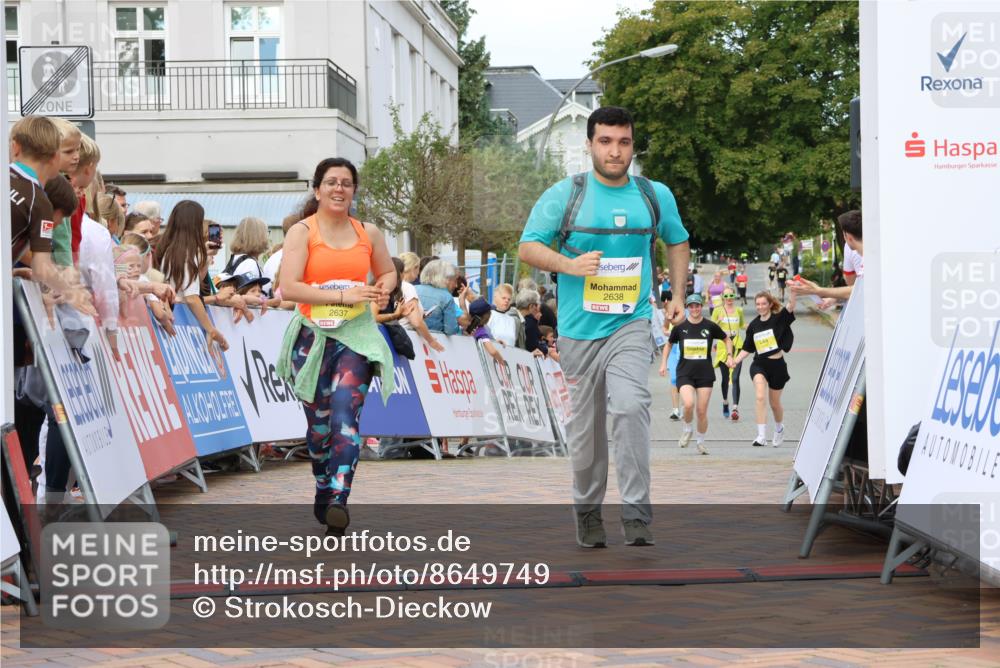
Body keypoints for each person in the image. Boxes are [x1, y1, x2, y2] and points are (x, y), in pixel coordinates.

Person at [518, 106, 690, 548]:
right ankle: (588, 510)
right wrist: (569, 265)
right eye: (606, 142)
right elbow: (529, 247)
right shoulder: (566, 194)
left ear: (633, 144)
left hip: (631, 323)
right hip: (577, 332)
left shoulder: (654, 195)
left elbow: (677, 240)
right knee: (588, 428)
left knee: (631, 406)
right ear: (590, 144)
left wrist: (677, 296)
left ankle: (636, 513)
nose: (616, 151)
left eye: (624, 142)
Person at [276, 157, 396, 536]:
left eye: (346, 183)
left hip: (355, 337)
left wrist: (383, 289)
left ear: (354, 190)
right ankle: (323, 485)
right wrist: (344, 293)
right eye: (331, 182)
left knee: (346, 418)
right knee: (319, 428)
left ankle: (339, 500)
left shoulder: (368, 233)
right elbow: (289, 287)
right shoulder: (301, 232)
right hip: (311, 337)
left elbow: (388, 271)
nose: (339, 189)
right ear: (317, 190)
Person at [660, 294, 733, 455]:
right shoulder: (680, 327)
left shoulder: (710, 326)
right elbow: (668, 344)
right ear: (687, 307)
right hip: (685, 372)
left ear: (702, 307)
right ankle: (687, 429)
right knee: (688, 404)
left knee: (701, 411)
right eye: (691, 306)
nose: (694, 309)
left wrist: (729, 355)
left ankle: (700, 442)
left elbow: (727, 339)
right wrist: (664, 363)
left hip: (705, 373)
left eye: (697, 306)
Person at [154, 200, 229, 351]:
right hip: (178, 319)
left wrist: (205, 261)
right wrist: (211, 329)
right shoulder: (185, 253)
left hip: (175, 315)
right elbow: (191, 297)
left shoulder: (171, 249)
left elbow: (192, 284)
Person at [733, 290, 798, 447]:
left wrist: (794, 292)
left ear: (769, 305)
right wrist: (735, 361)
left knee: (775, 404)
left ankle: (779, 428)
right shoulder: (754, 325)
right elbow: (747, 348)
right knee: (760, 397)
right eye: (758, 304)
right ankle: (761, 436)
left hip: (778, 366)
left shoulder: (779, 319)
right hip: (759, 365)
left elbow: (790, 306)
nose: (760, 307)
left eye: (763, 304)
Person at [792, 211, 863, 307]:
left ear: (848, 237)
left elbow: (858, 290)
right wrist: (833, 299)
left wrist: (818, 290)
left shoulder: (871, 261)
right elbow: (857, 289)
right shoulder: (871, 257)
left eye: (843, 234)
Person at [711, 287, 745, 421]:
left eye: (731, 295)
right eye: (726, 296)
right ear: (723, 297)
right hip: (722, 347)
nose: (729, 298)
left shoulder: (739, 310)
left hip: (737, 346)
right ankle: (725, 401)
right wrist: (718, 321)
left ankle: (735, 408)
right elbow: (711, 328)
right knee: (725, 379)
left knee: (735, 378)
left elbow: (742, 325)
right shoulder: (717, 311)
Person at [415, 259, 468, 335]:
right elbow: (450, 330)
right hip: (436, 341)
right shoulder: (446, 297)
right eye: (455, 280)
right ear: (445, 278)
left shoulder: (412, 289)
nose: (456, 285)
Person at [465, 297, 504, 364]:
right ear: (485, 316)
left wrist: (494, 342)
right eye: (489, 312)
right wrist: (502, 360)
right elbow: (492, 351)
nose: (490, 314)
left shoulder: (465, 325)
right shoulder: (481, 331)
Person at [514, 288, 547, 357]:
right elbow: (532, 346)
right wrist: (546, 350)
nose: (538, 308)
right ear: (531, 306)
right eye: (537, 305)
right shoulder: (529, 322)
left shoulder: (511, 316)